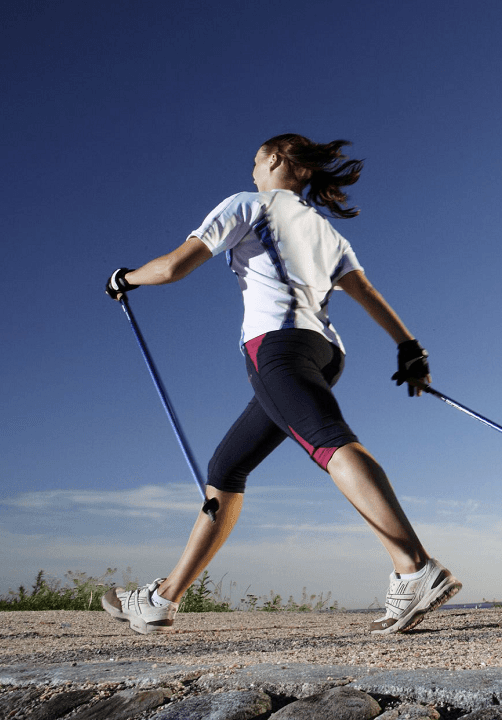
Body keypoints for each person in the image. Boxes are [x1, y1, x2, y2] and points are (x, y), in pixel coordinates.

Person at [101, 133, 460, 635]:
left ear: (273, 159)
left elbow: (173, 267)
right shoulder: (325, 231)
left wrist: (126, 278)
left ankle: (414, 566)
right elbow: (368, 292)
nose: (251, 171)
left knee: (329, 441)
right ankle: (162, 599)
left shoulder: (246, 205)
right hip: (324, 352)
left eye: (254, 161)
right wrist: (409, 348)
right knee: (226, 467)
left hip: (277, 348)